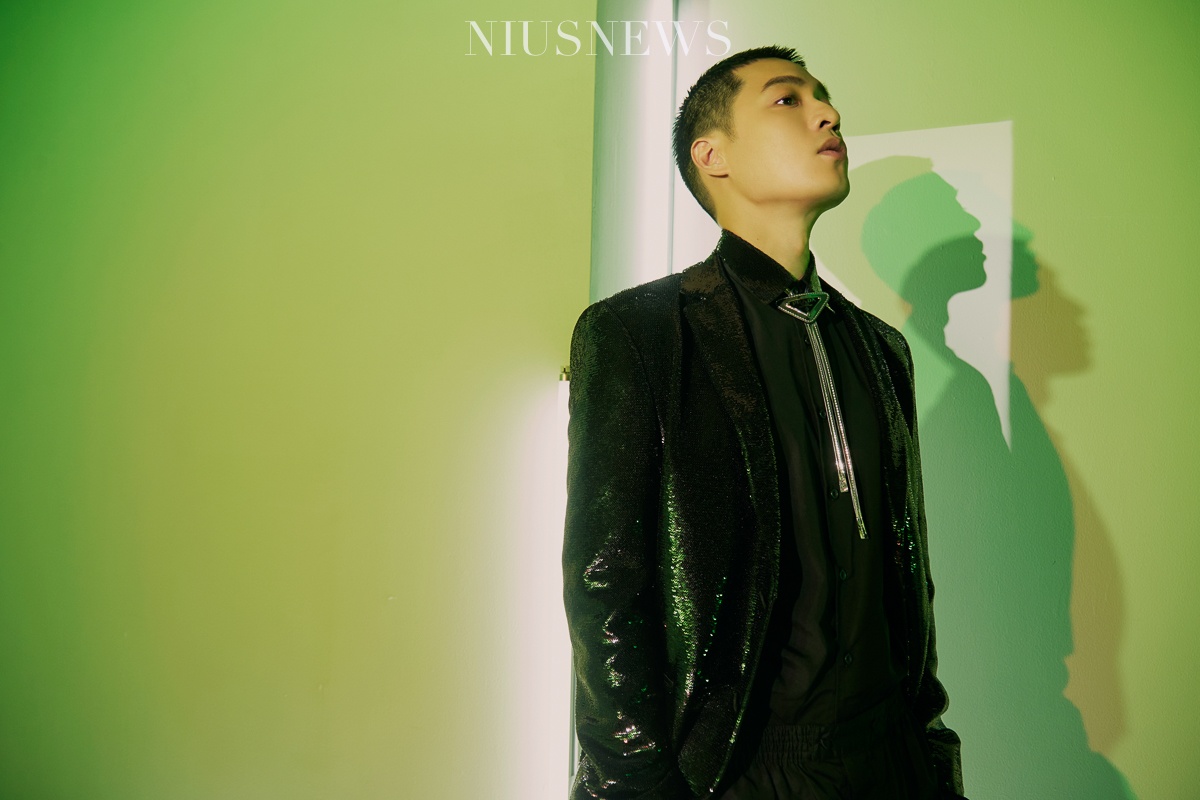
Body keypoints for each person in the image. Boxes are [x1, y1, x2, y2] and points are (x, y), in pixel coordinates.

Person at [563, 45, 966, 800]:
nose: (828, 113)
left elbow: (906, 576)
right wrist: (637, 784)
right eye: (788, 99)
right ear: (711, 155)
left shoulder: (880, 349)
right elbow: (605, 587)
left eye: (824, 97)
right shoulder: (642, 333)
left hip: (890, 759)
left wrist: (931, 750)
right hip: (738, 768)